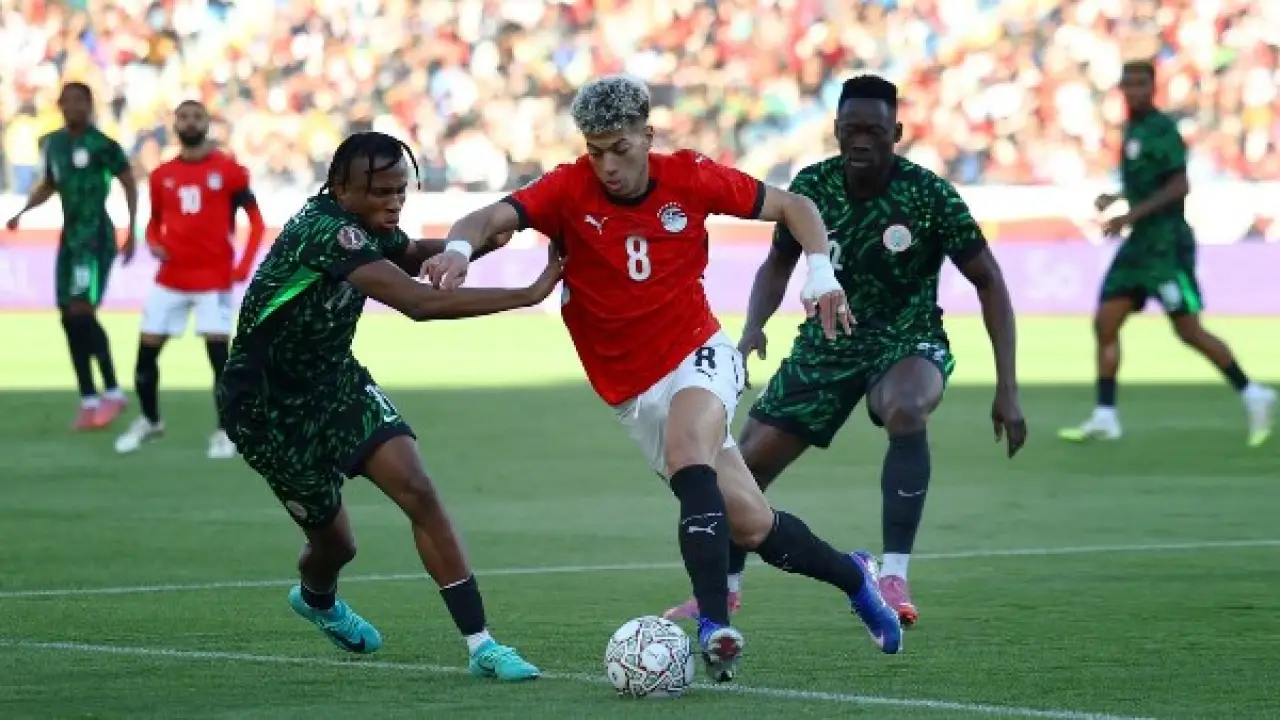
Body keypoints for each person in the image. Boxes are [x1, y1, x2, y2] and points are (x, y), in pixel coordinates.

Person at [428, 75, 904, 684]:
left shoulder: (690, 177)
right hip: (632, 394)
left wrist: (821, 271)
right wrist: (458, 251)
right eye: (594, 151)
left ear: (647, 136)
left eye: (619, 149)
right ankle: (854, 576)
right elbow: (488, 217)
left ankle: (715, 627)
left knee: (687, 455)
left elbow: (795, 207)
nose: (606, 165)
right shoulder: (566, 188)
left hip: (700, 353)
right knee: (753, 526)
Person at [658, 75, 1027, 630]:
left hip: (906, 337)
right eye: (851, 128)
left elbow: (989, 280)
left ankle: (894, 574)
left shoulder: (929, 196)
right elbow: (778, 263)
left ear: (896, 132)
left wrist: (1007, 389)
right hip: (826, 344)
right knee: (743, 466)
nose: (861, 140)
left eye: (874, 130)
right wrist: (754, 327)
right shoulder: (813, 187)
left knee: (906, 406)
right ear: (835, 129)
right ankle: (724, 592)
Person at [215, 131, 549, 680]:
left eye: (400, 191)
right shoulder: (327, 232)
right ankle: (317, 598)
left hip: (335, 383)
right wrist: (528, 295)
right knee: (336, 545)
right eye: (380, 192)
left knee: (418, 488)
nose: (393, 203)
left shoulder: (367, 225)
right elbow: (417, 301)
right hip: (267, 409)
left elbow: (412, 258)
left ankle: (482, 645)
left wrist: (482, 243)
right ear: (340, 188)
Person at [1058, 60, 1275, 447]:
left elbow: (1179, 186)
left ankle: (1252, 393)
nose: (1135, 91)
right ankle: (1106, 416)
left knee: (1188, 331)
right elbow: (1148, 181)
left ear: (1152, 88)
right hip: (1140, 245)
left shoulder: (1163, 130)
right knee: (1106, 322)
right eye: (1129, 84)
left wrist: (1129, 215)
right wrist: (1118, 197)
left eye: (1141, 84)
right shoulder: (1133, 129)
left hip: (1167, 247)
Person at [115, 100, 266, 458]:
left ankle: (225, 430)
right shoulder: (161, 175)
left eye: (197, 116)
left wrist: (243, 267)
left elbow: (257, 223)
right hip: (171, 278)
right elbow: (154, 222)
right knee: (146, 354)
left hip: (213, 280)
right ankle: (150, 420)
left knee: (218, 358)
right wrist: (153, 241)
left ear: (207, 123)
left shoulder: (230, 171)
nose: (190, 122)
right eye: (183, 117)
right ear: (174, 124)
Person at [5, 82, 138, 430]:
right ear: (60, 105)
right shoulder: (53, 144)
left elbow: (128, 181)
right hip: (69, 239)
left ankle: (113, 391)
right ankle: (89, 399)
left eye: (80, 100)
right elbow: (49, 184)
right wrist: (23, 212)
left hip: (95, 238)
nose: (73, 107)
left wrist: (132, 229)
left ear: (90, 105)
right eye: (67, 101)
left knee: (82, 311)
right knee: (67, 316)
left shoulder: (103, 145)